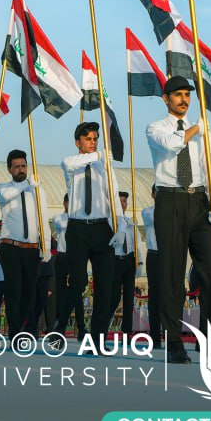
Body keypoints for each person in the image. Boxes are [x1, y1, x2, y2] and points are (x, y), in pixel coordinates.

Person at [146, 76, 211, 363]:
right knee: (172, 276)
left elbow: (210, 165)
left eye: (187, 95)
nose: (184, 100)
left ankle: (207, 337)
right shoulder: (156, 128)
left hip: (199, 200)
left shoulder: (203, 131)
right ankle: (174, 343)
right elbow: (171, 145)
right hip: (170, 201)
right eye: (178, 95)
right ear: (166, 99)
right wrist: (195, 129)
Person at [53, 123, 119, 347]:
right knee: (78, 282)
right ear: (77, 142)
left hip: (101, 228)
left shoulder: (104, 166)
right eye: (88, 139)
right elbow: (68, 162)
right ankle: (60, 326)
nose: (93, 142)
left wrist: (119, 227)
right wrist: (98, 155)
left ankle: (98, 339)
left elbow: (113, 197)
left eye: (95, 138)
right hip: (78, 228)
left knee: (104, 286)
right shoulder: (73, 165)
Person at [0, 149, 49, 338]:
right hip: (11, 247)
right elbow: (6, 196)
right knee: (14, 290)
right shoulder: (3, 188)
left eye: (24, 166)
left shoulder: (37, 191)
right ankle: (14, 331)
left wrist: (46, 245)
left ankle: (21, 326)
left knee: (28, 292)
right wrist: (26, 183)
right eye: (17, 167)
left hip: (31, 248)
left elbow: (43, 218)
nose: (21, 170)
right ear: (9, 169)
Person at [107, 191, 140, 337]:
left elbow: (136, 242)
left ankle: (126, 332)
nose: (122, 204)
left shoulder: (130, 221)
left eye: (125, 201)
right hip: (115, 261)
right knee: (113, 298)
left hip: (129, 260)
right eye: (119, 201)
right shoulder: (109, 220)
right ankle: (103, 326)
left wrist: (139, 262)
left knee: (128, 299)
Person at [141, 189, 161, 342]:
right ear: (153, 194)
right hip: (154, 255)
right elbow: (157, 219)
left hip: (169, 255)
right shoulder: (147, 212)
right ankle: (155, 334)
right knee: (154, 295)